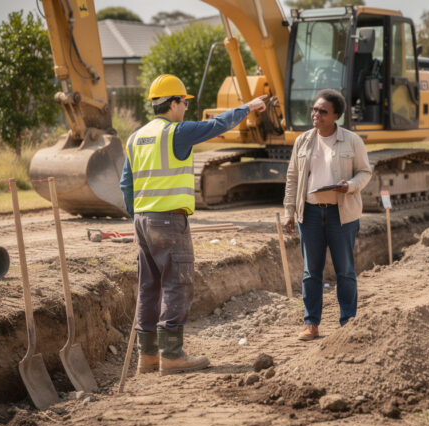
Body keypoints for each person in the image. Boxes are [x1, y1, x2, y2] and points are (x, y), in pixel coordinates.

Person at [120, 74, 266, 375]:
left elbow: (126, 184)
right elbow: (218, 125)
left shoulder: (135, 137)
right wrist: (248, 107)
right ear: (173, 103)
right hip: (170, 220)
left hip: (143, 220)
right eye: (184, 103)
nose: (185, 108)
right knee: (177, 284)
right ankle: (172, 355)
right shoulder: (175, 132)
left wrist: (136, 219)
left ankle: (147, 357)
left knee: (149, 287)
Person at [283, 89, 372, 341]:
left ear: (336, 116)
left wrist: (350, 186)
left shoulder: (352, 141)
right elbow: (292, 178)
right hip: (309, 214)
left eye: (323, 111)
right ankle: (311, 323)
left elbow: (365, 173)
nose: (316, 114)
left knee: (344, 270)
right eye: (314, 109)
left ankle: (348, 322)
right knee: (311, 271)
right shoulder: (302, 141)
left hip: (341, 214)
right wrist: (289, 211)